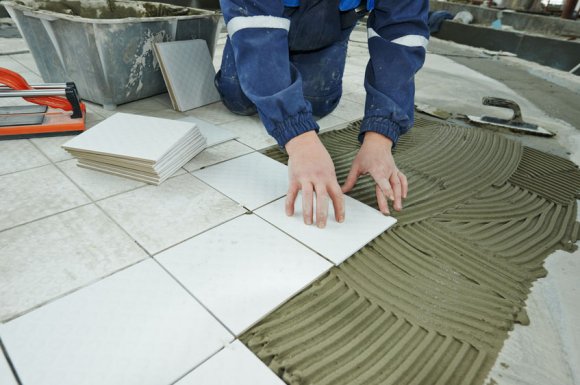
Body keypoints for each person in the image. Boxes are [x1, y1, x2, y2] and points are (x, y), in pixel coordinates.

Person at [215, 0, 429, 228]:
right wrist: (299, 140)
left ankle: (290, 63)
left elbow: (402, 31)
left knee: (317, 104)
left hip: (330, 24)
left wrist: (381, 136)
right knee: (238, 99)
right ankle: (252, 44)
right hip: (262, 12)